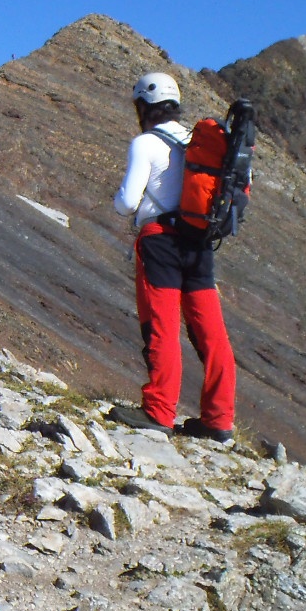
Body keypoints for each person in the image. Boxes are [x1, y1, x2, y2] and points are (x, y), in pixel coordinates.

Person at [107, 72, 236, 442]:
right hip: (198, 240)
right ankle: (219, 420)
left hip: (160, 240)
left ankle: (159, 411)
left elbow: (129, 201)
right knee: (210, 332)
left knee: (162, 325)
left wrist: (121, 206)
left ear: (143, 106)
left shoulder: (146, 143)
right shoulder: (199, 142)